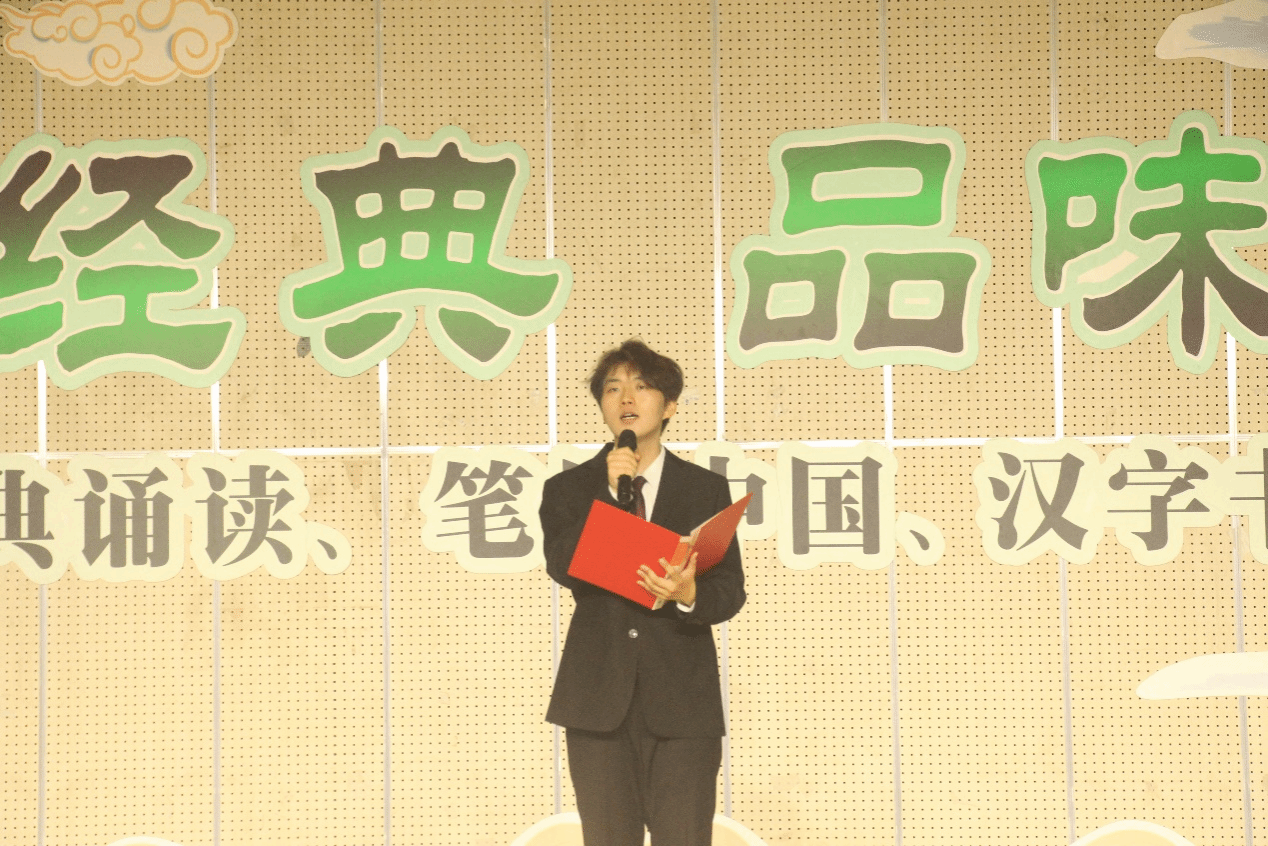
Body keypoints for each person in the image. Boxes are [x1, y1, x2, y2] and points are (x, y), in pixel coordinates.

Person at [541, 339, 746, 846]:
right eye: (612, 388)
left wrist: (689, 591)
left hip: (683, 703)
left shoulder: (703, 488)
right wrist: (612, 496)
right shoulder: (569, 489)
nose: (626, 397)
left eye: (642, 386)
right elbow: (563, 566)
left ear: (670, 405)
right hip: (597, 702)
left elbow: (729, 591)